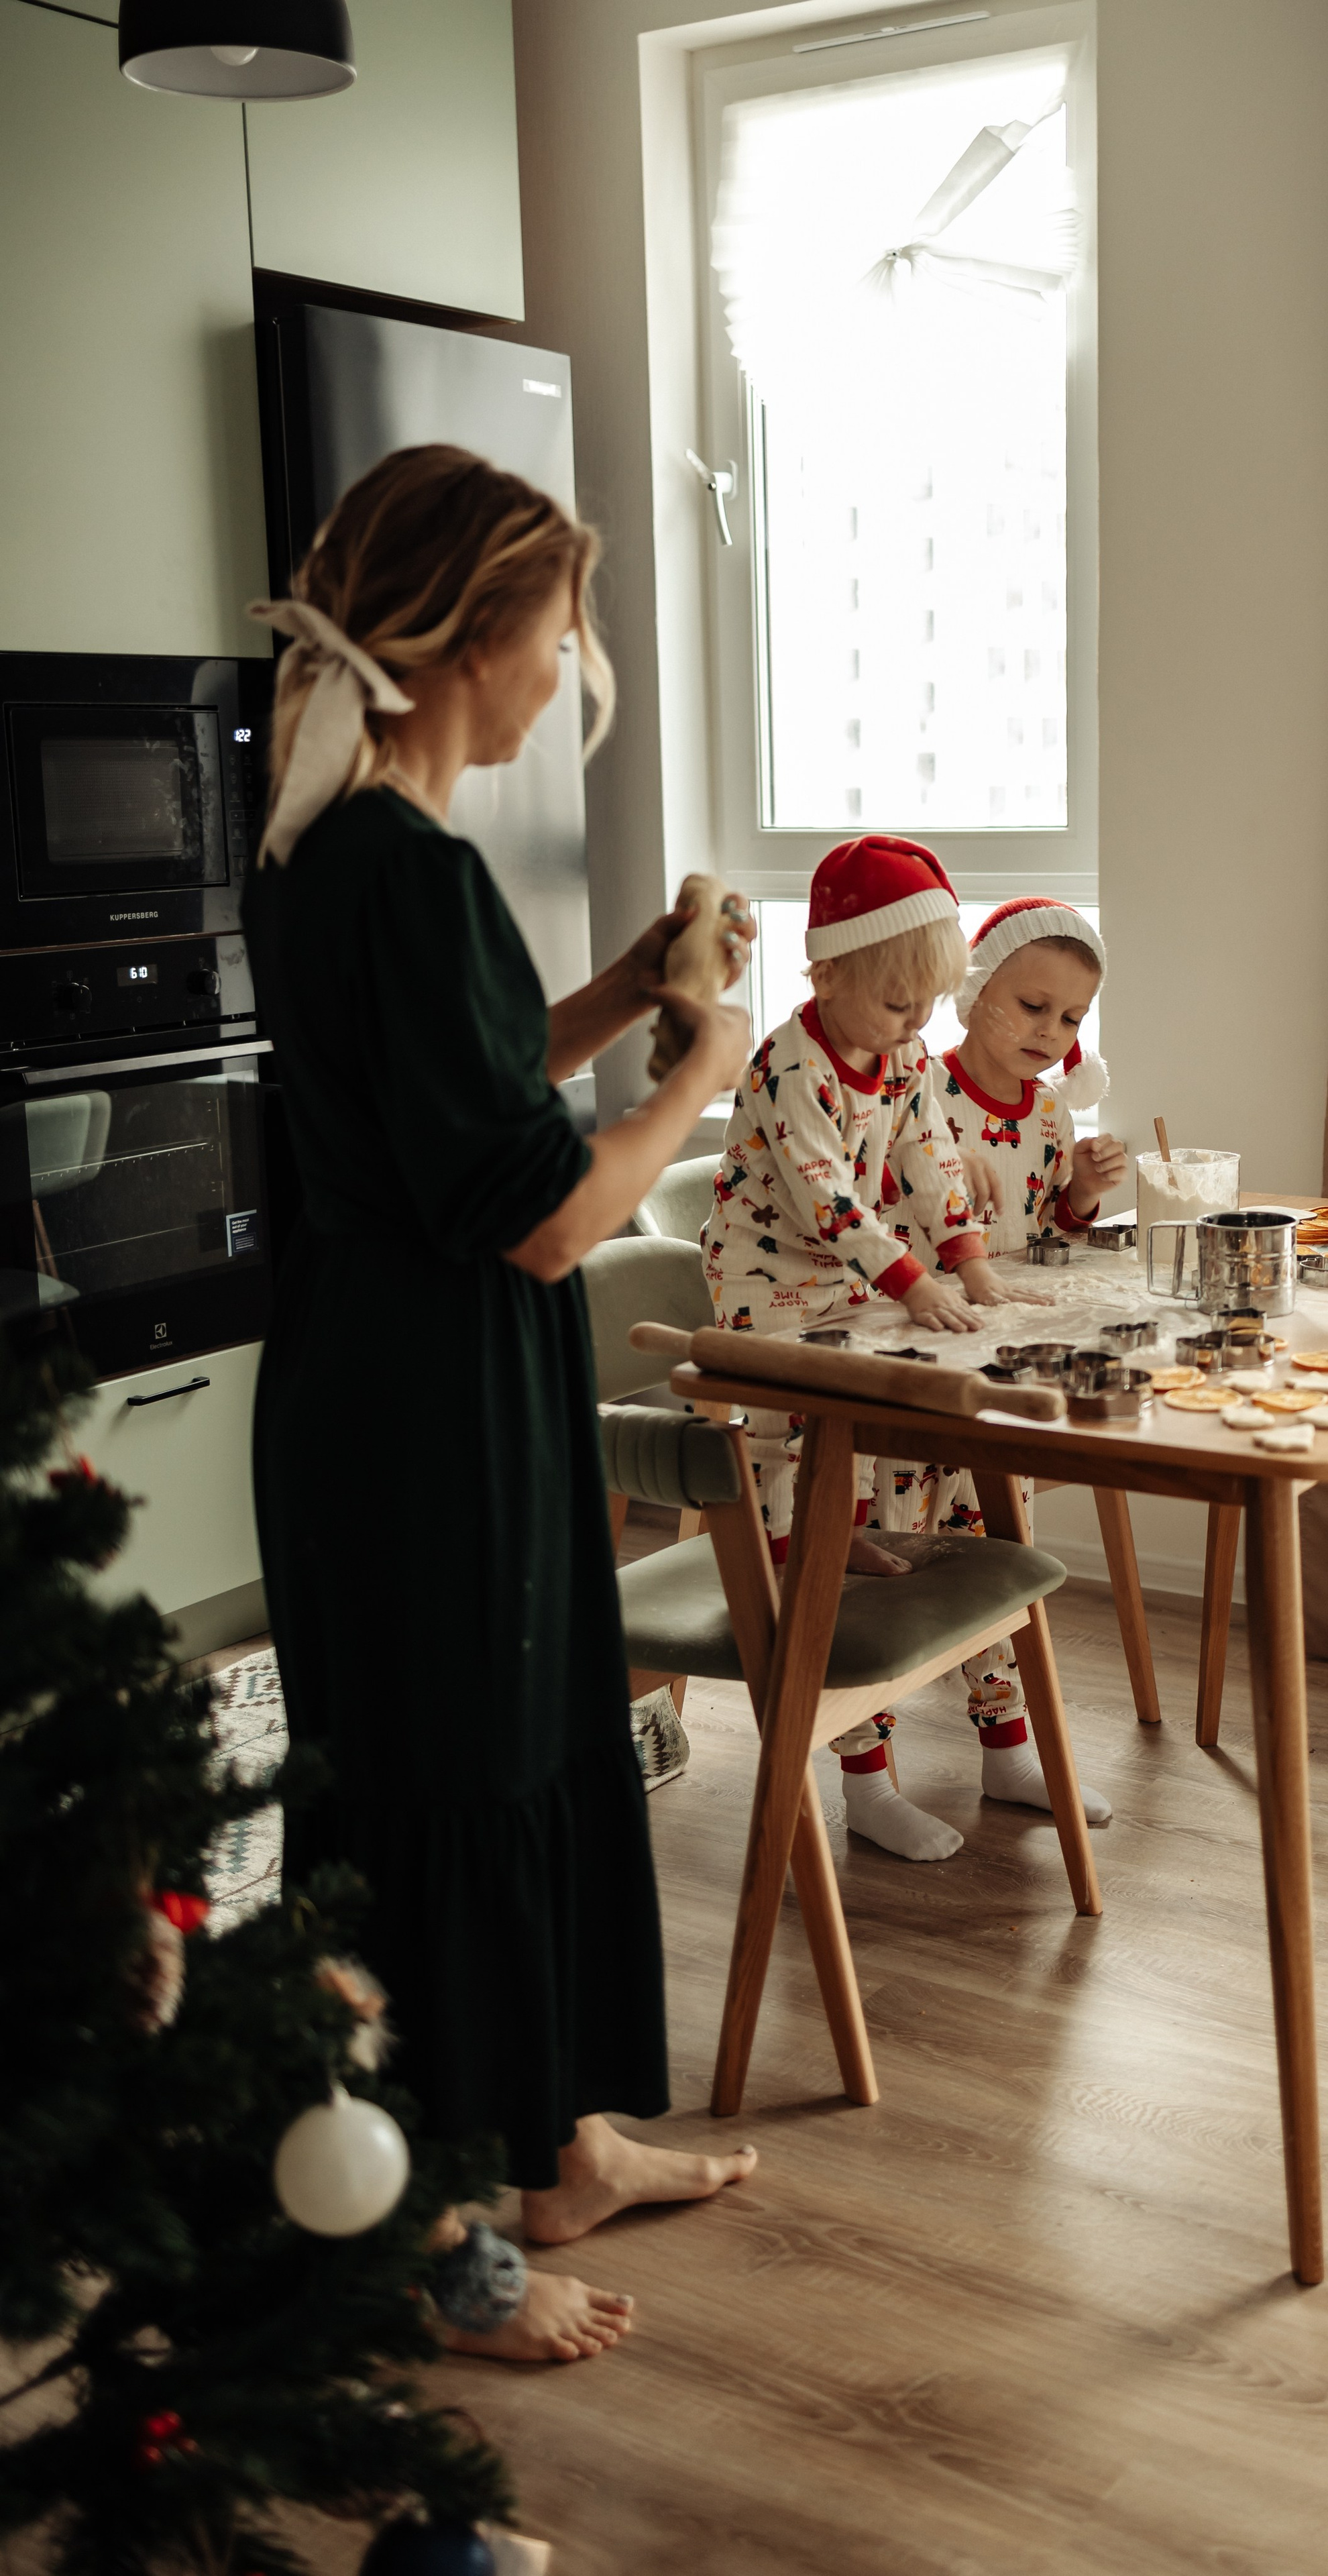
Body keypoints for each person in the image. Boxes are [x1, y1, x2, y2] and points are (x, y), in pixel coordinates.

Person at [243, 443, 756, 2368]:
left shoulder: (328, 853)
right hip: (434, 1409)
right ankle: (439, 2245)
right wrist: (699, 1075)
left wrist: (626, 992)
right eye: (566, 623)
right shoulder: (410, 867)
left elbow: (466, 1091)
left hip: (396, 1386)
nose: (575, 662)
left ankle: (559, 2155)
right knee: (455, 1781)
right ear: (477, 638)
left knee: (516, 1743)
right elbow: (542, 1216)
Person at [700, 844, 1108, 1861]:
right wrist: (918, 1282)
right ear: (823, 972)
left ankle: (1008, 1747)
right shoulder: (789, 1067)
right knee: (813, 1486)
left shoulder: (906, 1054)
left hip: (852, 1292)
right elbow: (829, 1201)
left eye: (925, 1008)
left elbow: (927, 1161)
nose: (912, 1029)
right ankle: (864, 1773)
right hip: (768, 1292)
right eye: (895, 1008)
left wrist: (966, 1260)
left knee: (953, 1499)